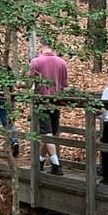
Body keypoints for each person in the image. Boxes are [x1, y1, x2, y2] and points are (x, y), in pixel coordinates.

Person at [29, 41, 68, 175]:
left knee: (47, 134)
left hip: (42, 102)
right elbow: (63, 85)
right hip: (55, 102)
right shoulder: (62, 63)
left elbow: (31, 82)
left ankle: (56, 165)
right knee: (49, 134)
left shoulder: (36, 62)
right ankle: (40, 161)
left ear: (41, 46)